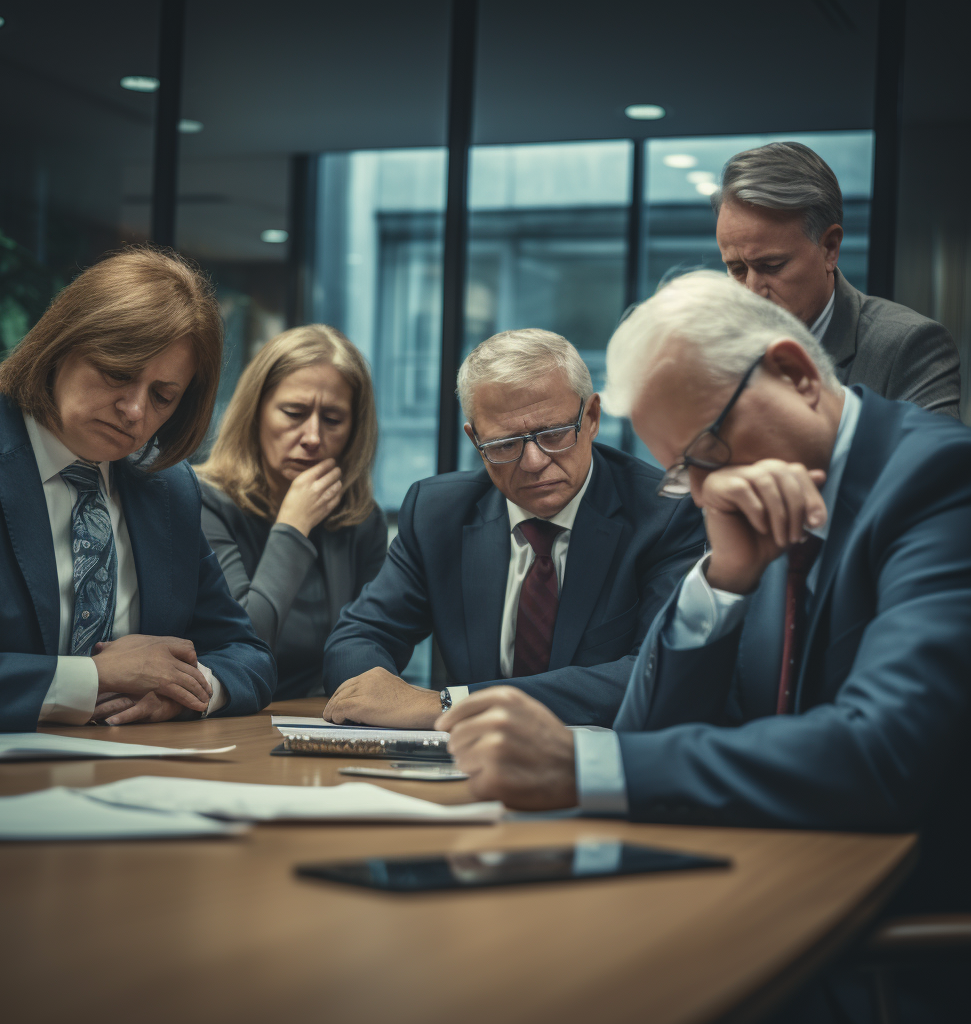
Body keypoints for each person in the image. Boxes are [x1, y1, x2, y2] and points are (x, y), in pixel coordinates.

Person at [437, 271, 971, 923]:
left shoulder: (940, 483)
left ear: (795, 373)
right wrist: (721, 581)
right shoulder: (761, 501)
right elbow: (650, 733)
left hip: (892, 935)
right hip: (753, 886)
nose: (703, 493)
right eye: (683, 471)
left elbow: (883, 756)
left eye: (709, 451)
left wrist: (586, 765)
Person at [0, 248, 276, 732]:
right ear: (60, 346)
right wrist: (91, 678)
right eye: (117, 374)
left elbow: (247, 656)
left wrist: (182, 692)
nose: (135, 411)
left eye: (163, 396)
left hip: (136, 774)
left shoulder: (167, 487)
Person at [321, 328, 706, 729]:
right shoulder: (438, 513)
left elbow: (659, 672)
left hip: (599, 770)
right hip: (463, 766)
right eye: (505, 444)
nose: (535, 461)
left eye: (553, 434)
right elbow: (357, 639)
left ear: (591, 417)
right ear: (474, 439)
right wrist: (375, 695)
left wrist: (452, 704)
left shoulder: (666, 514)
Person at [195, 325, 387, 699]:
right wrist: (294, 525)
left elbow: (370, 647)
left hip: (322, 720)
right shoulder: (202, 502)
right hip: (225, 714)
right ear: (256, 413)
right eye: (294, 412)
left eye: (332, 420)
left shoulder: (361, 520)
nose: (313, 437)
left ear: (354, 430)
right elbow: (242, 643)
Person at [712, 141, 961, 417]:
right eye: (736, 269)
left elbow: (935, 460)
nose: (752, 291)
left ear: (829, 248)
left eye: (771, 266)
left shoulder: (908, 347)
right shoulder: (714, 347)